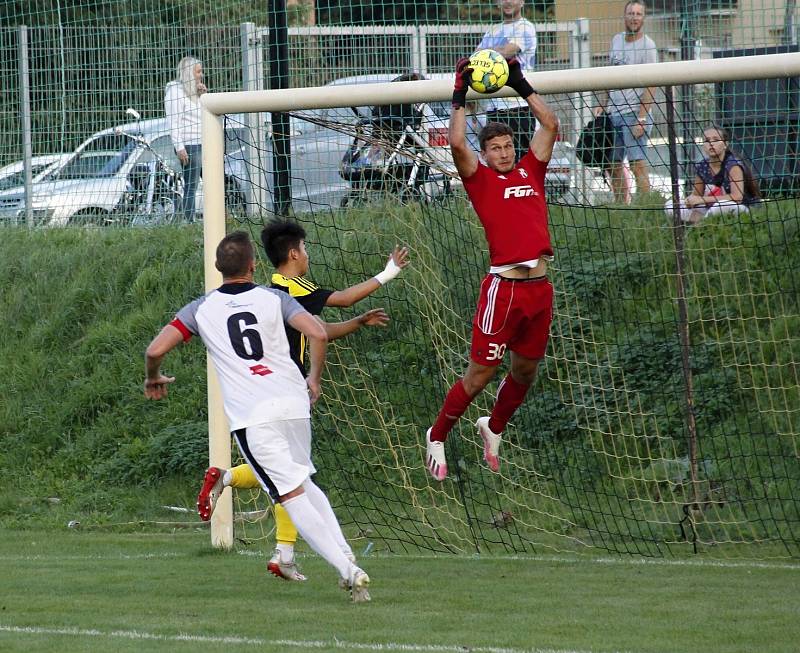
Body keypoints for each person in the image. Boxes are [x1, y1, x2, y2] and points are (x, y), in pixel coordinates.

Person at [144, 231, 371, 602]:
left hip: (255, 416)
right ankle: (346, 557)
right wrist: (313, 378)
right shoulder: (275, 297)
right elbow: (317, 332)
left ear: (219, 269)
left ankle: (349, 570)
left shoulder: (200, 309)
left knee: (291, 494)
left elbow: (154, 350)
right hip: (294, 405)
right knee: (306, 483)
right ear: (253, 266)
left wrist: (154, 376)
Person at [196, 219, 409, 581]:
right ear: (293, 254)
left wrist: (357, 324)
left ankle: (282, 547)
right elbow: (338, 302)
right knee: (293, 479)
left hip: (267, 393)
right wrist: (388, 273)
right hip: (285, 392)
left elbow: (318, 331)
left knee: (291, 476)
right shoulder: (291, 287)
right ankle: (304, 552)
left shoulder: (271, 290)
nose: (307, 255)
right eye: (305, 250)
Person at [424, 56, 559, 481]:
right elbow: (458, 143)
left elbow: (551, 125)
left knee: (526, 371)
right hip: (504, 290)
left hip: (540, 290)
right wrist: (459, 93)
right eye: (494, 149)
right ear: (485, 155)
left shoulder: (530, 171)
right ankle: (438, 434)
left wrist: (519, 82)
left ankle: (493, 427)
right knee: (480, 375)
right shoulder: (480, 180)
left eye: (506, 146)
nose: (502, 153)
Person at [594, 1, 658, 203]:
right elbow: (608, 74)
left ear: (643, 18)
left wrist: (642, 117)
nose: (634, 17)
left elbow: (651, 85)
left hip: (634, 114)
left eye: (639, 14)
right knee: (613, 164)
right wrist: (603, 104)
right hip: (614, 113)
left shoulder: (648, 46)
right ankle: (622, 206)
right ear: (624, 16)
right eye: (631, 13)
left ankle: (645, 205)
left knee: (637, 162)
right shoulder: (616, 40)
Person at [477, 0, 538, 157]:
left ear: (522, 2)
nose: (508, 1)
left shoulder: (525, 27)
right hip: (493, 108)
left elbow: (506, 52)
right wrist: (494, 52)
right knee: (495, 164)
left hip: (518, 108)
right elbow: (476, 59)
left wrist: (488, 52)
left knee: (518, 162)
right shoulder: (492, 31)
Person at [664, 125, 761, 224]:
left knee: (721, 206)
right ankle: (703, 221)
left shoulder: (733, 165)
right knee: (671, 205)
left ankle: (701, 225)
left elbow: (737, 198)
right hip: (710, 207)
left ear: (725, 144)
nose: (711, 143)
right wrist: (690, 200)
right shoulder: (702, 166)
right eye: (707, 140)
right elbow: (696, 195)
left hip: (741, 208)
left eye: (716, 140)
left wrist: (701, 199)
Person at [165, 56, 206, 222]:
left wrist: (204, 96)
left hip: (205, 143)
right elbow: (173, 122)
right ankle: (190, 221)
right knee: (191, 185)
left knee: (214, 183)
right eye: (198, 71)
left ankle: (215, 218)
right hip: (190, 145)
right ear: (189, 73)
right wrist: (179, 147)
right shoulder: (175, 92)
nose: (201, 75)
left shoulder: (195, 91)